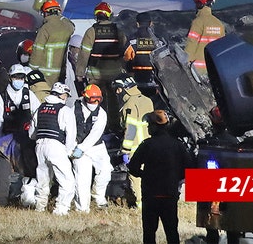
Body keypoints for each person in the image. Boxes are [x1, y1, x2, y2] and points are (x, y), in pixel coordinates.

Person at [127, 110, 194, 244]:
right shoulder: (178, 145)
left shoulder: (147, 145)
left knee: (149, 233)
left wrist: (144, 175)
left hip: (150, 196)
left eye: (149, 125)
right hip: (170, 195)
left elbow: (133, 167)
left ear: (155, 126)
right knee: (172, 232)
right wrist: (176, 178)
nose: (147, 127)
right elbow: (189, 168)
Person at [0, 63, 41, 206]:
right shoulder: (2, 97)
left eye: (21, 77)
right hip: (7, 140)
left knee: (29, 169)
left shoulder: (29, 95)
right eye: (16, 77)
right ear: (10, 78)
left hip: (27, 139)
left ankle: (28, 201)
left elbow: (37, 115)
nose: (18, 80)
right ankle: (1, 200)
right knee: (3, 170)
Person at [75, 2, 127, 130]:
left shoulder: (91, 31)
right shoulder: (118, 31)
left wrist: (79, 73)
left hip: (96, 75)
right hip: (114, 74)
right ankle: (115, 126)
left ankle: (99, 127)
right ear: (109, 15)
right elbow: (124, 52)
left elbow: (84, 54)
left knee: (96, 100)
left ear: (96, 15)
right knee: (114, 100)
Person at [29, 82, 77, 215]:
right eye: (66, 95)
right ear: (62, 95)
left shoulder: (40, 108)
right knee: (67, 180)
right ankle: (61, 209)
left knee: (43, 179)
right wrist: (68, 152)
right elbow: (71, 135)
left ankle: (40, 207)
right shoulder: (64, 110)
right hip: (56, 147)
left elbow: (32, 133)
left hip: (40, 147)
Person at [111, 74, 153, 208]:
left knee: (136, 178)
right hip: (150, 146)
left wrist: (125, 151)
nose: (117, 93)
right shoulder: (147, 100)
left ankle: (141, 206)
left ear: (123, 89)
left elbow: (130, 129)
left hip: (136, 148)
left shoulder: (129, 104)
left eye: (117, 89)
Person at [72, 83, 113, 212]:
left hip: (96, 147)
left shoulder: (101, 113)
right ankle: (82, 209)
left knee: (106, 171)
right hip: (77, 146)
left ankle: (98, 196)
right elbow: (69, 127)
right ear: (85, 97)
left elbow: (95, 134)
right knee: (82, 179)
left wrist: (82, 148)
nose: (95, 102)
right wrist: (74, 147)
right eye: (92, 99)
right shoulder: (73, 108)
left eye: (98, 100)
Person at [29, 0, 75, 83]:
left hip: (46, 73)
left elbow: (37, 51)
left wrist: (31, 69)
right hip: (61, 72)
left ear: (46, 13)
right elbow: (72, 26)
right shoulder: (67, 26)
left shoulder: (45, 28)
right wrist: (61, 17)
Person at [184, 0, 225, 82]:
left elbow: (191, 45)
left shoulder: (198, 22)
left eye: (197, 3)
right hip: (214, 70)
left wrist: (184, 62)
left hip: (197, 71)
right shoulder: (219, 24)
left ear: (200, 4)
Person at [123, 12, 163, 87]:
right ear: (151, 23)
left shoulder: (132, 40)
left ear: (137, 24)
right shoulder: (159, 41)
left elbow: (126, 57)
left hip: (137, 78)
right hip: (156, 78)